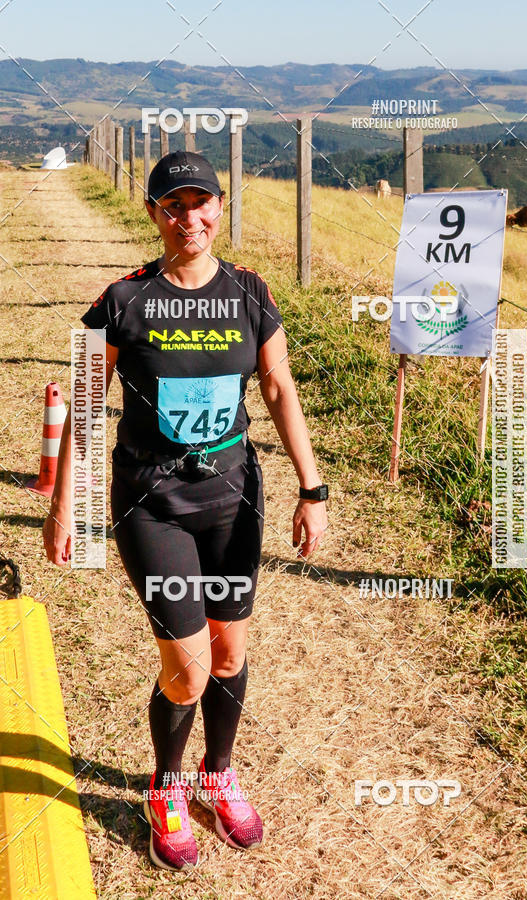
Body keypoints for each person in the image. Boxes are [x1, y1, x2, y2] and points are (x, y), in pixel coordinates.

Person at [42, 150, 328, 871]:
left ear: (220, 209)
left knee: (231, 653)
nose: (188, 218)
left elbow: (278, 387)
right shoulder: (121, 300)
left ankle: (217, 773)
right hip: (153, 503)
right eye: (173, 206)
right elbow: (85, 404)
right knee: (191, 669)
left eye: (201, 203)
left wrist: (312, 487)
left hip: (232, 496)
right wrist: (62, 505)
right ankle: (166, 789)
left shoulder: (251, 293)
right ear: (153, 215)